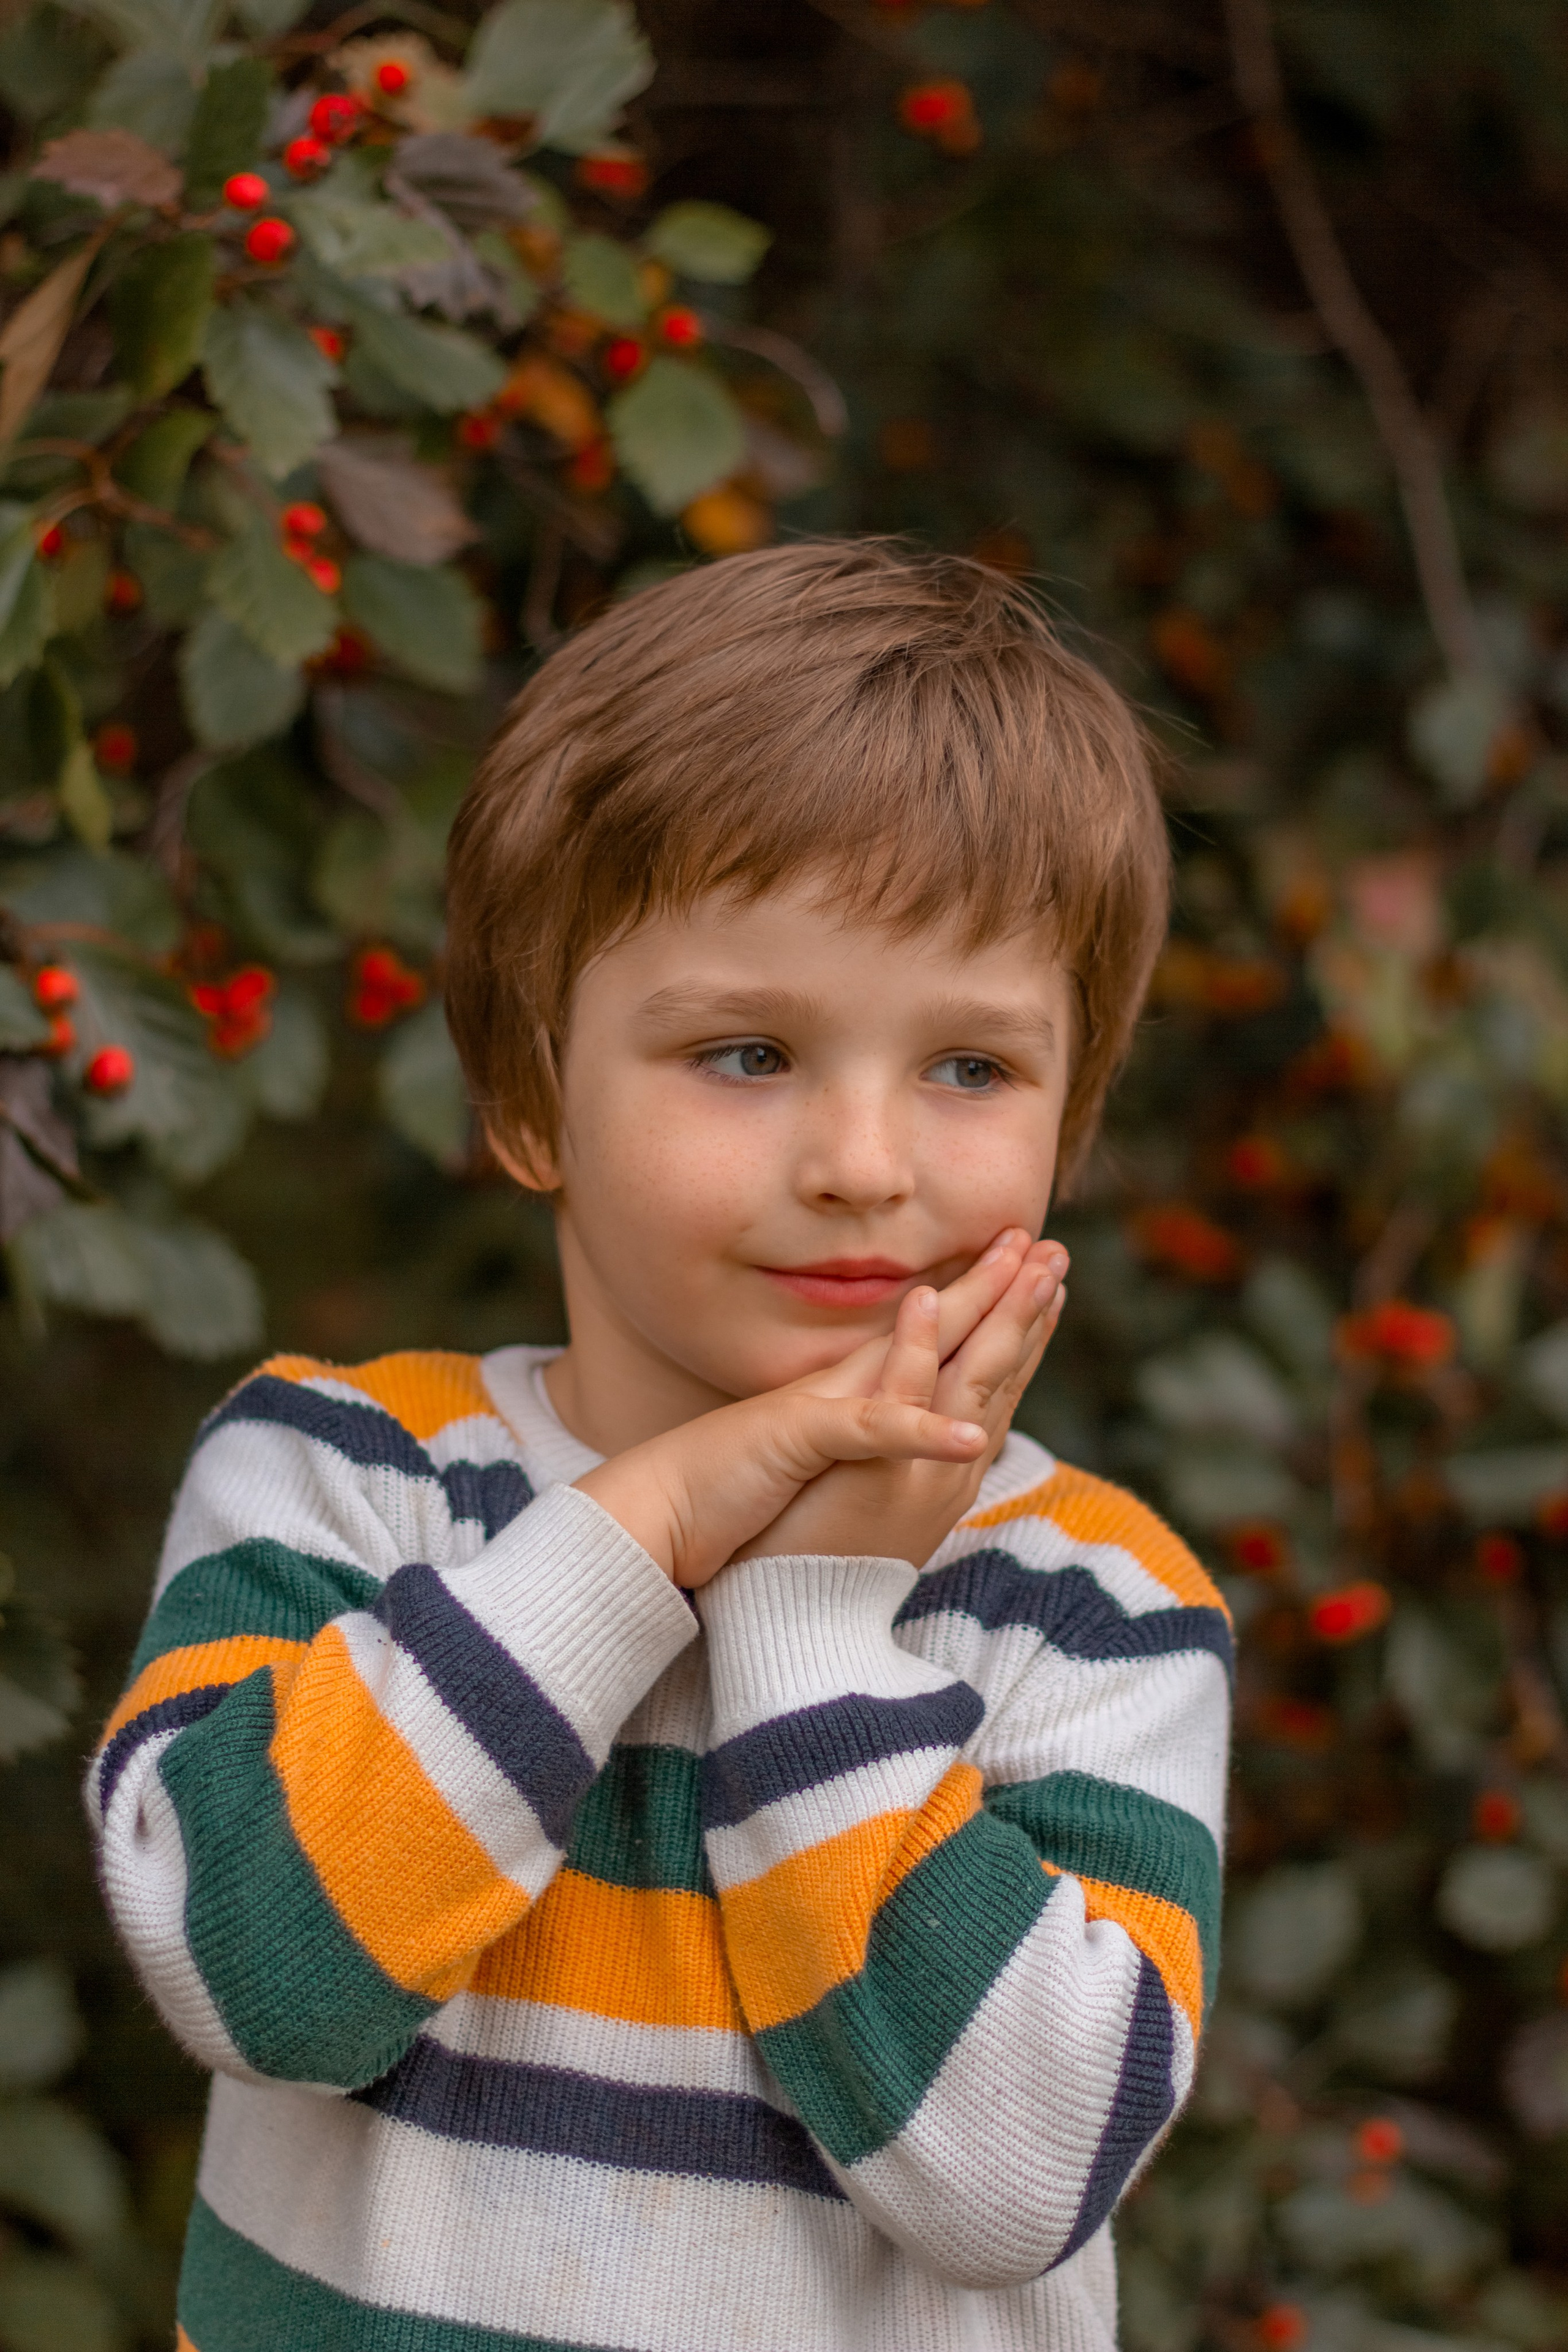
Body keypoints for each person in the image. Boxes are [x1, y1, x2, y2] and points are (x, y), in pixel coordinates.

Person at [90, 540, 1231, 2352]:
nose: (865, 1159)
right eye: (749, 1051)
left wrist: (810, 1616)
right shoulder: (336, 1477)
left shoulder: (1099, 1610)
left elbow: (1015, 2180)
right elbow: (258, 1972)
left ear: (1071, 1112)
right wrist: (641, 1535)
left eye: (970, 1070)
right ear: (535, 1095)